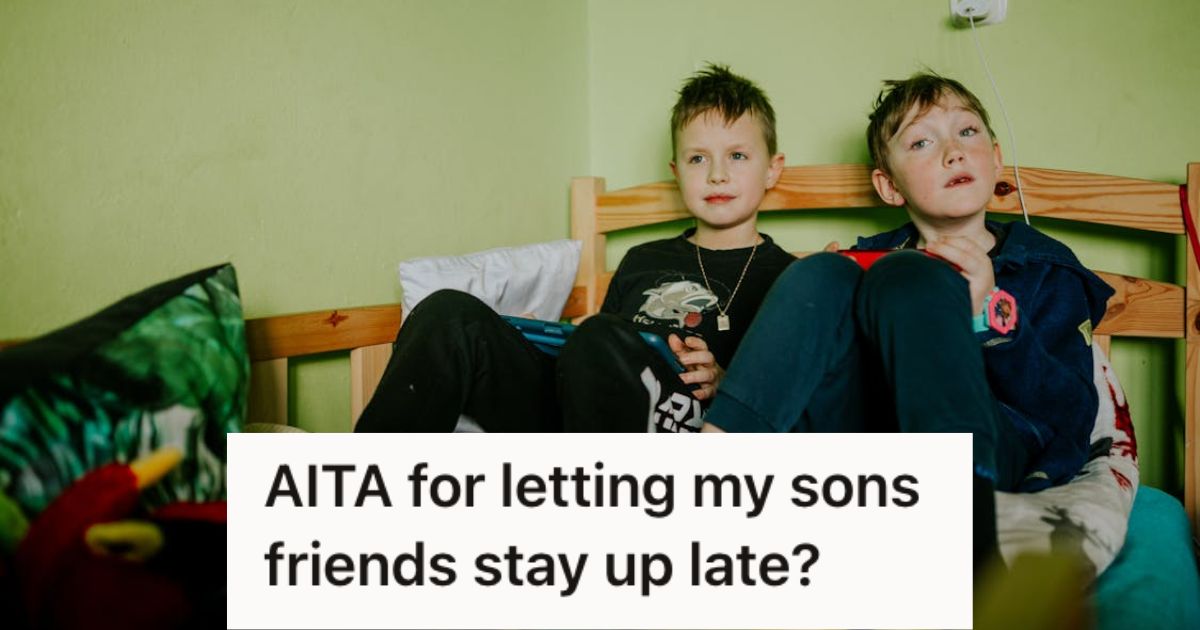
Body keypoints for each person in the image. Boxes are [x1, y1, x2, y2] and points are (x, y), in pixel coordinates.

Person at [701, 72, 1114, 568]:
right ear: (889, 185)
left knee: (912, 279)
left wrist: (991, 313)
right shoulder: (866, 261)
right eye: (921, 141)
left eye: (967, 132)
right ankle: (713, 482)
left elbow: (1069, 410)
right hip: (873, 441)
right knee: (821, 273)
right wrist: (836, 307)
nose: (952, 152)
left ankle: (960, 530)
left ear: (996, 157)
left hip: (987, 445)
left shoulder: (1047, 269)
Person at [355, 64, 795, 434]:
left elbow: (782, 392)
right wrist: (539, 339)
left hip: (681, 415)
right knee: (447, 312)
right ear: (676, 171)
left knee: (599, 335)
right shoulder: (643, 259)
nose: (717, 174)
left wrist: (724, 382)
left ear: (773, 170)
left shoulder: (788, 277)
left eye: (737, 156)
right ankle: (359, 493)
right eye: (699, 158)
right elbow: (595, 345)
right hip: (579, 406)